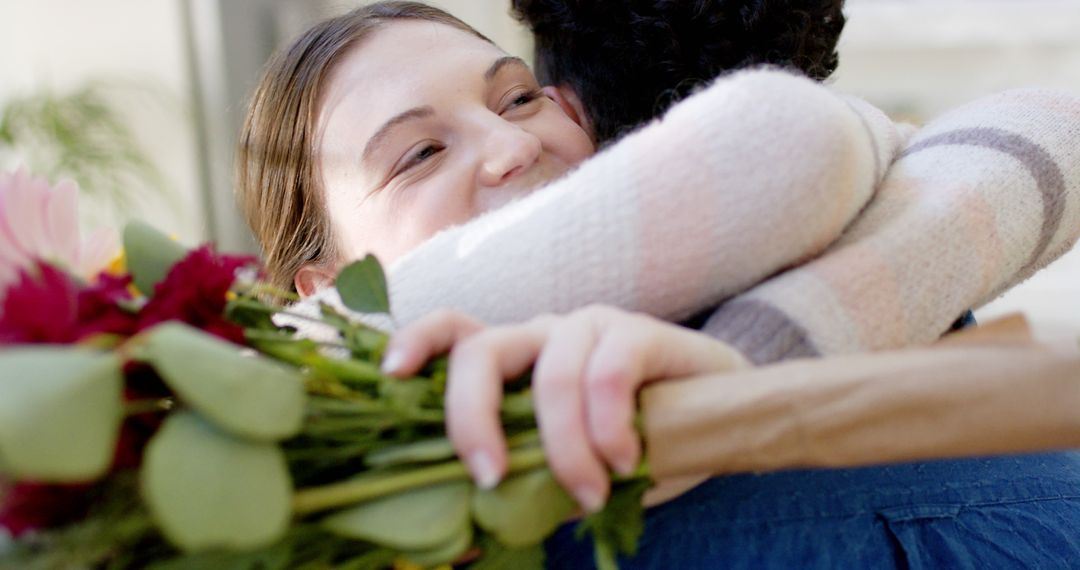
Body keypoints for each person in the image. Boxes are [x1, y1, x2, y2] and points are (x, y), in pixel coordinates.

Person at [235, 2, 1080, 567]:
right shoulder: (392, 500)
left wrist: (742, 360)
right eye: (420, 153)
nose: (510, 146)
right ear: (326, 285)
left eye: (519, 98)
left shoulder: (869, 251)